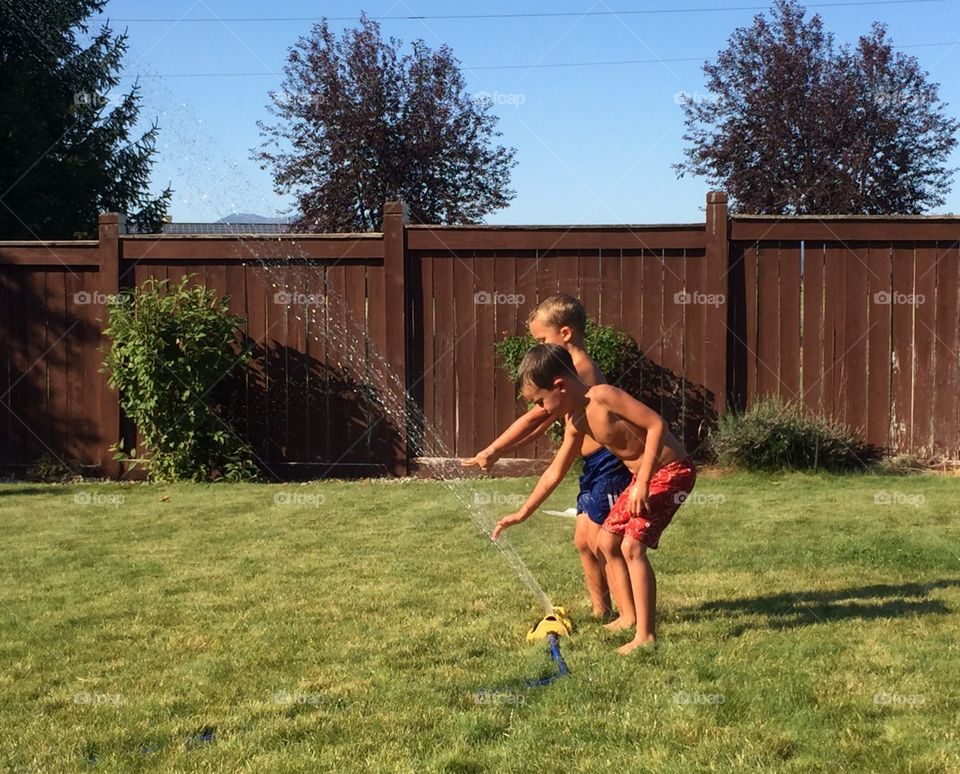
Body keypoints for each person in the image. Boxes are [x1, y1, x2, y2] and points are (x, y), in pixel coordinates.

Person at [491, 344, 696, 655]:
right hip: (644, 479)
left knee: (631, 546)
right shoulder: (577, 422)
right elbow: (554, 473)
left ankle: (646, 636)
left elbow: (656, 425)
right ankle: (627, 616)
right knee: (606, 541)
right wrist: (522, 513)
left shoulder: (603, 396)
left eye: (541, 402)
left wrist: (641, 482)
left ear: (559, 386)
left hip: (670, 470)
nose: (543, 411)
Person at [462, 295, 633, 621]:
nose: (538, 347)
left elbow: (536, 419)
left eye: (542, 339)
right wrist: (498, 451)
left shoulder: (579, 370)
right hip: (595, 465)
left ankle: (628, 615)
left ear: (565, 334)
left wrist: (494, 449)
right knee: (583, 541)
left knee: (602, 543)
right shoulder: (569, 372)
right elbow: (540, 422)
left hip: (609, 463)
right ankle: (602, 611)